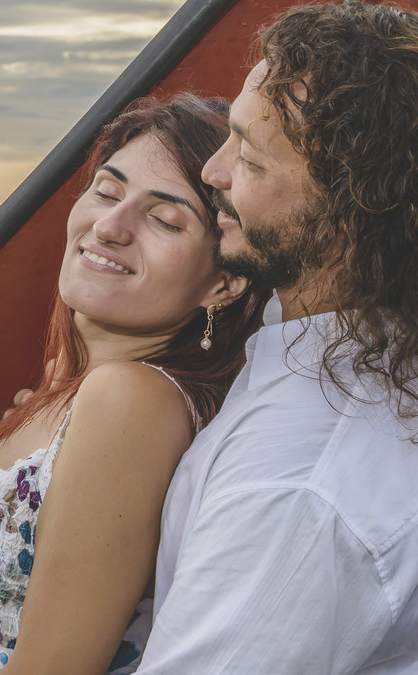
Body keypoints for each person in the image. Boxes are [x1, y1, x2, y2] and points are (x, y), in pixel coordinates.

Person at [0, 95, 269, 675]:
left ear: (224, 284)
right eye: (106, 191)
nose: (109, 227)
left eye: (164, 219)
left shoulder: (130, 401)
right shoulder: (73, 393)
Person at [136, 3, 418, 672]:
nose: (214, 173)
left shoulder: (296, 490)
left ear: (350, 217)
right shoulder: (356, 343)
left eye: (250, 160)